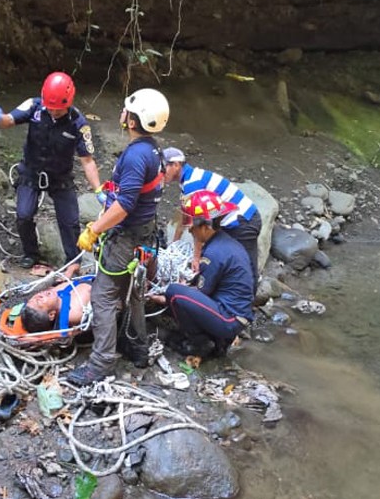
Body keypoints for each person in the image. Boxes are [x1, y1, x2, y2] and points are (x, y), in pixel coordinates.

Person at [67, 88, 170, 386]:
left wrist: (94, 229)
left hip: (127, 236)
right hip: (144, 232)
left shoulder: (137, 156)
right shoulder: (153, 149)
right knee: (134, 291)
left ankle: (100, 364)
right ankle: (137, 349)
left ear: (134, 120)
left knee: (103, 295)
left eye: (126, 109)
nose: (121, 113)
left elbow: (125, 206)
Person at [0, 73, 105, 270]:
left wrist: (98, 189)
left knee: (70, 221)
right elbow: (9, 121)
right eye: (50, 108)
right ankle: (30, 252)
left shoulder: (78, 123)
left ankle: (73, 262)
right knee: (24, 215)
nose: (53, 112)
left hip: (60, 176)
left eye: (58, 110)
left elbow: (87, 161)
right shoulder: (34, 106)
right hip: (32, 172)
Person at [149, 190, 254, 358]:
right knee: (181, 292)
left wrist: (164, 298)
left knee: (173, 292)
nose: (190, 232)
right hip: (235, 315)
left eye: (193, 228)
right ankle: (217, 341)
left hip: (229, 319)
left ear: (205, 227)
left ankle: (197, 342)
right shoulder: (225, 243)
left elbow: (201, 292)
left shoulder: (214, 253)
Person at [162, 147, 263, 286]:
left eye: (164, 167)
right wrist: (173, 247)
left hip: (242, 220)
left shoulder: (193, 184)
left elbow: (198, 223)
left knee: (246, 265)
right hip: (231, 220)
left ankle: (246, 301)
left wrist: (196, 258)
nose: (161, 172)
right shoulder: (190, 179)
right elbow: (185, 215)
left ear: (176, 165)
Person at [20, 275, 93, 333]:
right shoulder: (73, 313)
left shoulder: (53, 293)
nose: (39, 295)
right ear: (51, 314)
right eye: (39, 301)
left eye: (33, 297)